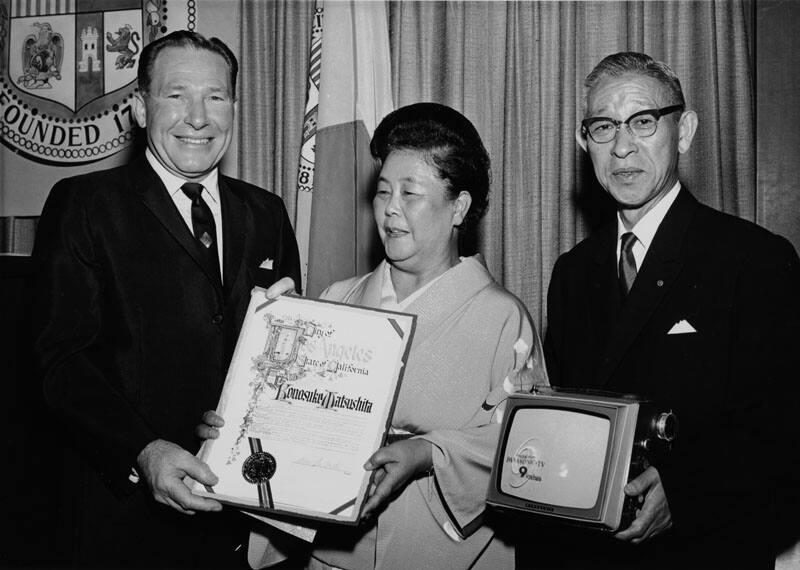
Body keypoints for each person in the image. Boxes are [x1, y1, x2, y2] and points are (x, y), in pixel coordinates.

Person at [200, 102, 549, 569]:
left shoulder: (504, 319)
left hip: (444, 553)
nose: (390, 210)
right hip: (336, 556)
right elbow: (294, 423)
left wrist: (426, 453)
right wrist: (239, 424)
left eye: (411, 194)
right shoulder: (338, 300)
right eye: (383, 192)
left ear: (459, 207)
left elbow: (527, 450)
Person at [31, 30, 301, 568]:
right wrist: (143, 450)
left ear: (234, 107)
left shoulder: (266, 213)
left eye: (216, 97)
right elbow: (57, 360)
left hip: (240, 521)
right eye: (176, 95)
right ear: (138, 108)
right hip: (124, 522)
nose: (198, 117)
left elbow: (285, 363)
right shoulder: (85, 205)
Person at [539, 51, 800, 569]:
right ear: (582, 141)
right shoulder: (573, 272)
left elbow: (783, 432)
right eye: (603, 126)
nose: (622, 146)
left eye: (643, 121)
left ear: (684, 131)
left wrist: (683, 492)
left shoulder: (754, 260)